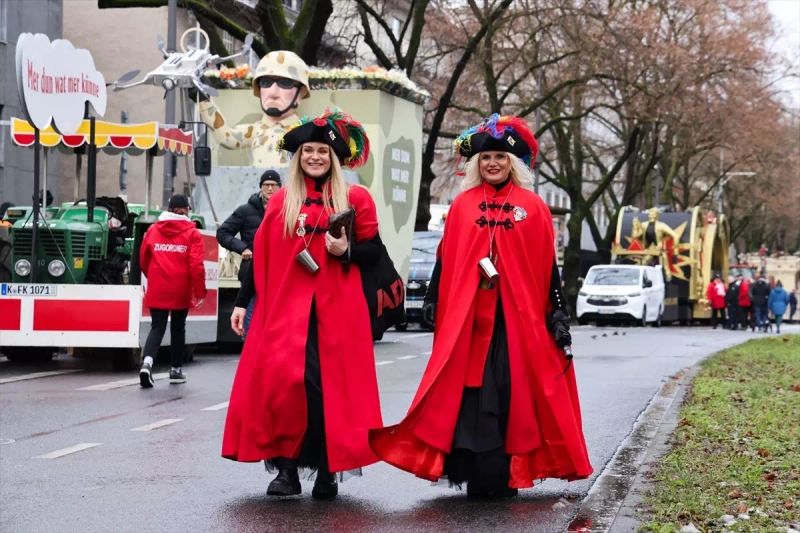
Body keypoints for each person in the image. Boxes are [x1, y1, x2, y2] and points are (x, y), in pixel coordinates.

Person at [369, 114, 592, 498]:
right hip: (468, 320)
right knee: (468, 390)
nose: (492, 163)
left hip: (515, 320)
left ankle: (507, 471)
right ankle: (473, 470)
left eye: (501, 158)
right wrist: (435, 300)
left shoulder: (533, 208)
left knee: (512, 391)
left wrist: (558, 313)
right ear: (476, 164)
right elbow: (446, 258)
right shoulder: (462, 206)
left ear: (513, 163)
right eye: (486, 157)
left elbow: (547, 269)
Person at [222, 110, 383, 500]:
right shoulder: (281, 203)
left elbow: (376, 254)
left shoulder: (355, 198)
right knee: (284, 388)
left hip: (337, 315)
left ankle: (327, 471)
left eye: (322, 151)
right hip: (285, 315)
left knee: (327, 391)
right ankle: (288, 470)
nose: (315, 157)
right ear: (298, 157)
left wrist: (347, 251)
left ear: (333, 157)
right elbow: (259, 260)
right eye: (308, 151)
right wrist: (243, 303)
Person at [196, 51, 309, 168]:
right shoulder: (255, 130)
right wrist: (204, 100)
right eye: (266, 83)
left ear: (301, 93)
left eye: (285, 83)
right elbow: (226, 137)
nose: (273, 92)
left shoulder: (308, 133)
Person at [138, 195, 207, 387]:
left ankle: (147, 363)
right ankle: (176, 370)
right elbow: (196, 265)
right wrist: (200, 291)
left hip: (158, 285)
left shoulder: (153, 230)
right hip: (180, 287)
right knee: (178, 328)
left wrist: (152, 276)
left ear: (169, 209)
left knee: (157, 327)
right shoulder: (192, 233)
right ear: (187, 209)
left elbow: (143, 258)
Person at [216, 169, 280, 336]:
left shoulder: (288, 210)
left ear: (280, 188)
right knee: (251, 314)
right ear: (260, 187)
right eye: (266, 185)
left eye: (274, 185)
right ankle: (251, 348)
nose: (270, 189)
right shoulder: (245, 211)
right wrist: (242, 248)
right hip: (252, 271)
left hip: (279, 272)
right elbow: (223, 233)